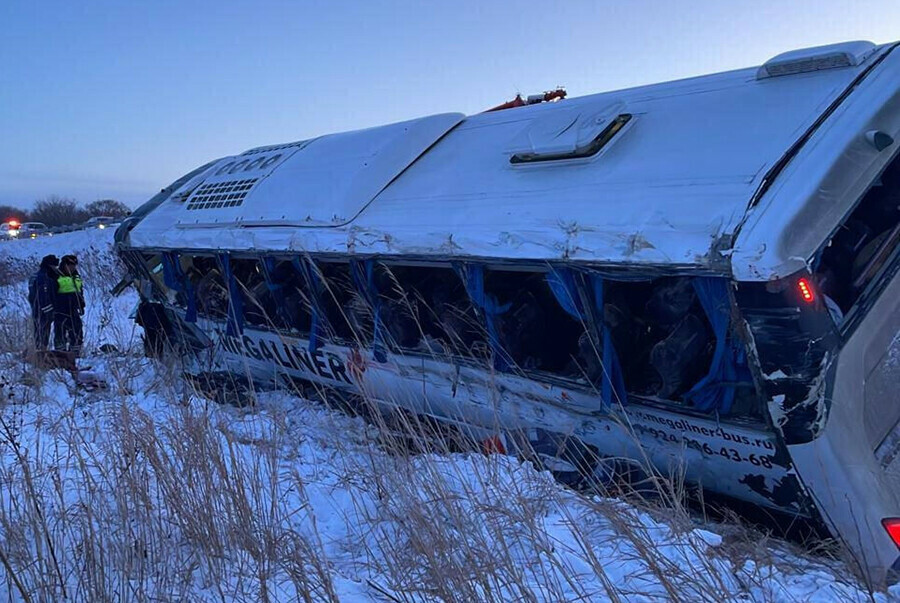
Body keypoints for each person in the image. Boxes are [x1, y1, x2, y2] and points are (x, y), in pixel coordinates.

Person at [54, 254, 85, 354]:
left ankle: (75, 353)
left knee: (77, 330)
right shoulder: (56, 275)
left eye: (74, 266)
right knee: (60, 332)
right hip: (60, 309)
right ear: (64, 265)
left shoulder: (76, 276)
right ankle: (60, 354)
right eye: (70, 266)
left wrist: (81, 304)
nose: (72, 268)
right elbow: (52, 293)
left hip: (73, 309)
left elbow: (79, 290)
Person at [28, 254, 59, 350]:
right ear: (50, 265)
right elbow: (43, 296)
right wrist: (49, 311)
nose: (56, 268)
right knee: (43, 336)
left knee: (39, 334)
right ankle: (41, 356)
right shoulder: (43, 277)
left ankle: (39, 354)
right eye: (54, 266)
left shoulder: (34, 276)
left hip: (36, 310)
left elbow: (31, 296)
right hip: (43, 312)